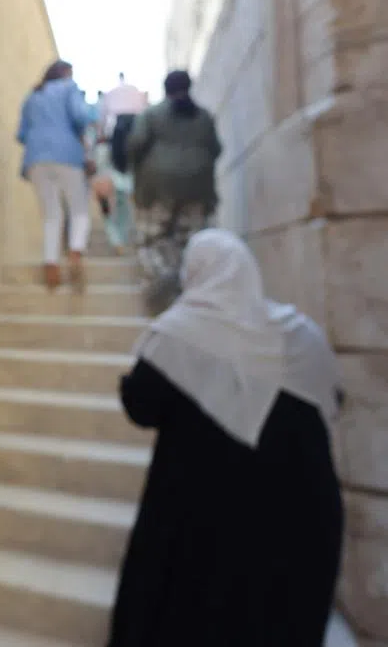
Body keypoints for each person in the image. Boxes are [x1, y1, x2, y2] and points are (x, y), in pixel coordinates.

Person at [107, 229, 343, 647]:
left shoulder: (179, 334)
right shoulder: (301, 333)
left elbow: (141, 405)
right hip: (297, 515)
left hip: (201, 513)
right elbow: (332, 399)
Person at [127, 70, 222, 314]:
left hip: (157, 189)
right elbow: (216, 149)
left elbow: (135, 145)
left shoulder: (151, 115)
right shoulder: (204, 117)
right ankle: (189, 294)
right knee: (191, 244)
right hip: (198, 190)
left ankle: (162, 291)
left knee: (150, 241)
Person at [16, 60, 94, 289]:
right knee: (79, 210)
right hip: (67, 154)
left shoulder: (32, 96)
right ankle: (76, 252)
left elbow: (21, 134)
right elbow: (80, 116)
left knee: (51, 215)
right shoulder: (69, 88)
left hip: (36, 159)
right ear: (65, 74)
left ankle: (51, 265)